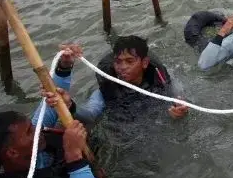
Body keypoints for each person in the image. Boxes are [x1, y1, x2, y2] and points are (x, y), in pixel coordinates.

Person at [40, 36, 189, 126]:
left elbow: (178, 97)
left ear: (144, 63)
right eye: (118, 62)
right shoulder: (106, 88)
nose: (122, 67)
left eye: (130, 61)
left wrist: (179, 110)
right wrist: (69, 105)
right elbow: (90, 114)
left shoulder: (159, 76)